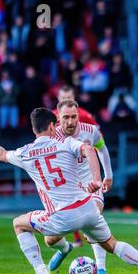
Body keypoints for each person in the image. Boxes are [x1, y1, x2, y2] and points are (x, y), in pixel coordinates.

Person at [0, 109, 138, 274]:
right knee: (112, 244)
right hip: (88, 210)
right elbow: (89, 149)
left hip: (60, 217)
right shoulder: (66, 143)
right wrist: (97, 179)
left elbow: (2, 154)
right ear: (52, 126)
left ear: (34, 130)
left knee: (19, 224)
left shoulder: (25, 152)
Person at [53, 100, 113, 274]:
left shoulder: (90, 131)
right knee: (51, 238)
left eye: (74, 117)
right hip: (67, 191)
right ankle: (64, 248)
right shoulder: (51, 136)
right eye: (66, 117)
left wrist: (108, 175)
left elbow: (102, 149)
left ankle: (101, 270)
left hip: (91, 186)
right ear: (58, 117)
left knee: (94, 219)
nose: (71, 121)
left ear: (78, 115)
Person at [53, 85, 99, 249]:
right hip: (62, 170)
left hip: (84, 167)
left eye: (69, 98)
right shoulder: (51, 118)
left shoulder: (85, 116)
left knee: (91, 208)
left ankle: (86, 238)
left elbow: (97, 139)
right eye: (63, 98)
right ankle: (71, 242)